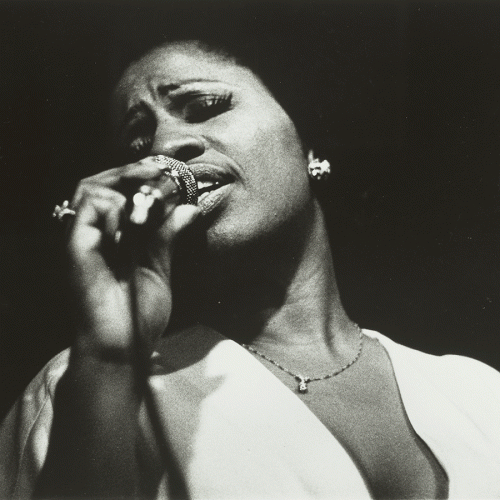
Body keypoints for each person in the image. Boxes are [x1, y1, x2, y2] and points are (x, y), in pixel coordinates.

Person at [1, 37, 499, 500]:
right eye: (138, 143)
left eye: (205, 107)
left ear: (307, 144)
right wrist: (107, 365)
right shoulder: (89, 385)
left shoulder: (478, 392)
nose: (166, 145)